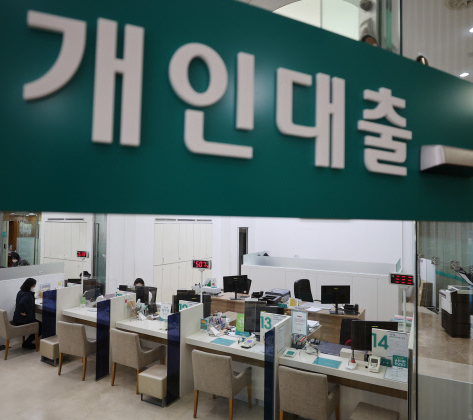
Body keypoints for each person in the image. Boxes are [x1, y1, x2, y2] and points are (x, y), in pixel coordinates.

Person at [13, 278, 42, 349]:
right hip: (23, 320)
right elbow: (22, 303)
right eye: (34, 285)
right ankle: (27, 343)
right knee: (42, 326)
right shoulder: (27, 294)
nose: (34, 287)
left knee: (39, 324)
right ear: (30, 285)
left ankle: (27, 342)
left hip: (18, 318)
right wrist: (26, 312)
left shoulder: (21, 292)